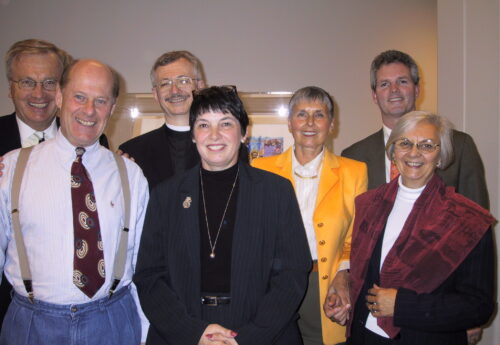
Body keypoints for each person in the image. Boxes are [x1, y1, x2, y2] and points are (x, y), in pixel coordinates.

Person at [134, 86, 311, 345]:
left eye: (226, 123)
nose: (214, 135)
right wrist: (192, 332)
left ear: (244, 133)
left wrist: (249, 336)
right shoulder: (166, 195)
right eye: (204, 125)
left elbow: (292, 274)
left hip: (262, 332)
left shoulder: (276, 192)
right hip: (183, 331)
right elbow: (149, 276)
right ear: (193, 135)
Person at [0, 59, 149, 344]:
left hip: (112, 321)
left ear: (113, 108)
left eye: (100, 100)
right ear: (59, 96)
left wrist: (142, 333)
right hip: (32, 325)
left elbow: (140, 263)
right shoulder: (11, 169)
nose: (89, 111)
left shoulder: (131, 175)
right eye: (79, 97)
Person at [326, 111, 495, 345]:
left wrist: (402, 305)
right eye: (405, 143)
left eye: (427, 145)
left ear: (440, 155)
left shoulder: (467, 221)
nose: (414, 152)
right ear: (393, 151)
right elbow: (366, 275)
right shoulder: (368, 204)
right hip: (365, 337)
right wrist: (345, 302)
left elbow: (478, 307)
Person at [0, 38, 107, 329]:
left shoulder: (96, 141)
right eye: (26, 82)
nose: (39, 93)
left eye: (49, 82)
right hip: (16, 315)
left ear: (61, 91)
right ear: (11, 87)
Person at [252, 86, 367, 345]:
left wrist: (344, 274)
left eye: (319, 114)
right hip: (272, 283)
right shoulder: (260, 169)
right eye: (302, 114)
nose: (310, 123)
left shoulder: (354, 172)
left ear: (332, 123)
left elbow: (356, 236)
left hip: (325, 284)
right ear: (290, 122)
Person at [341, 50, 489, 209]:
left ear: (417, 89)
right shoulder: (353, 157)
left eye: (402, 81)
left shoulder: (459, 146)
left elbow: (478, 221)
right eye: (384, 84)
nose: (394, 89)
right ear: (374, 96)